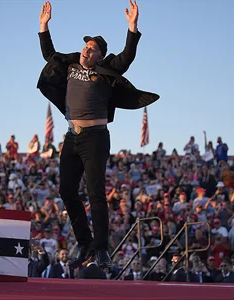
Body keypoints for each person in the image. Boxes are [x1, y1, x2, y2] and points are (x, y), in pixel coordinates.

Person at [37, 0, 159, 269]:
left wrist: (132, 27)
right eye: (85, 45)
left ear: (100, 56)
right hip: (71, 137)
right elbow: (50, 55)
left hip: (95, 137)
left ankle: (102, 249)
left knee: (95, 193)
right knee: (67, 191)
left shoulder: (107, 70)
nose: (86, 49)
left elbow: (127, 56)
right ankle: (85, 244)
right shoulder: (70, 66)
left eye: (92, 48)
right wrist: (44, 26)